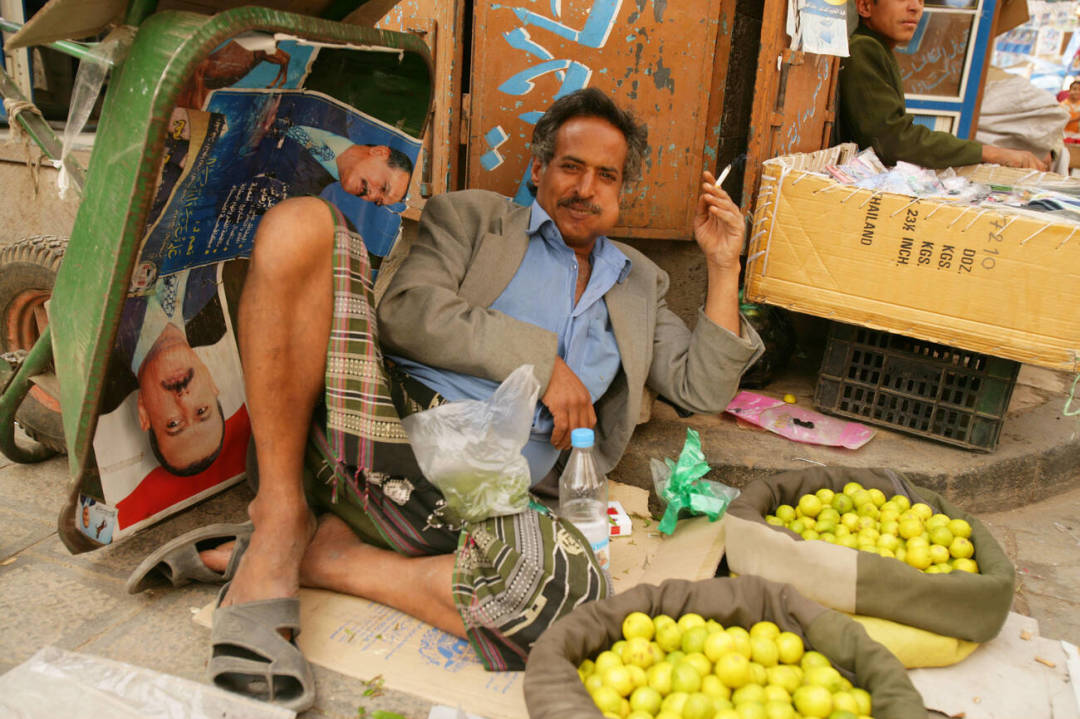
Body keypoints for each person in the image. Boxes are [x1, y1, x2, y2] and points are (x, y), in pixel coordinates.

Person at [133, 88, 762, 711]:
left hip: (489, 504)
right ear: (538, 170)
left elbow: (702, 386)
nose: (586, 188)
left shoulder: (637, 283)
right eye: (571, 167)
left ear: (622, 192)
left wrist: (724, 266)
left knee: (577, 604)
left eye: (606, 176)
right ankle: (278, 521)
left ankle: (332, 556)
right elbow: (407, 313)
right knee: (302, 223)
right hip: (385, 432)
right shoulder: (474, 220)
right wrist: (543, 364)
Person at [838, 0, 1049, 170]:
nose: (915, 7)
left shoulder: (878, 49)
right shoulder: (865, 48)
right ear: (865, 6)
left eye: (920, 0)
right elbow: (893, 140)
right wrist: (987, 153)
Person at [114, 265, 226, 476]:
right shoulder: (209, 285)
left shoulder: (102, 336)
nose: (183, 398)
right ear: (211, 383)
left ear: (144, 412)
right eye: (201, 411)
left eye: (174, 423)